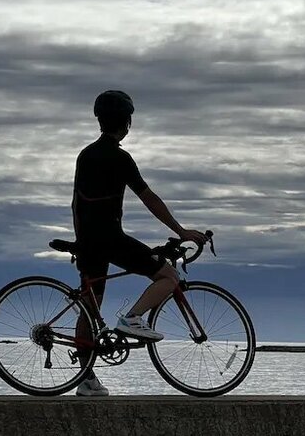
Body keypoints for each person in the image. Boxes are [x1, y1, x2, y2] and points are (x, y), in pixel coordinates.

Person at [72, 90, 208, 396]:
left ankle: (85, 380)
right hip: (111, 239)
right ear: (127, 122)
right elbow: (148, 197)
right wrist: (181, 230)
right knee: (169, 276)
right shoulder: (120, 158)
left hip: (89, 241)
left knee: (90, 309)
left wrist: (80, 241)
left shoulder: (85, 154)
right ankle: (132, 318)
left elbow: (75, 203)